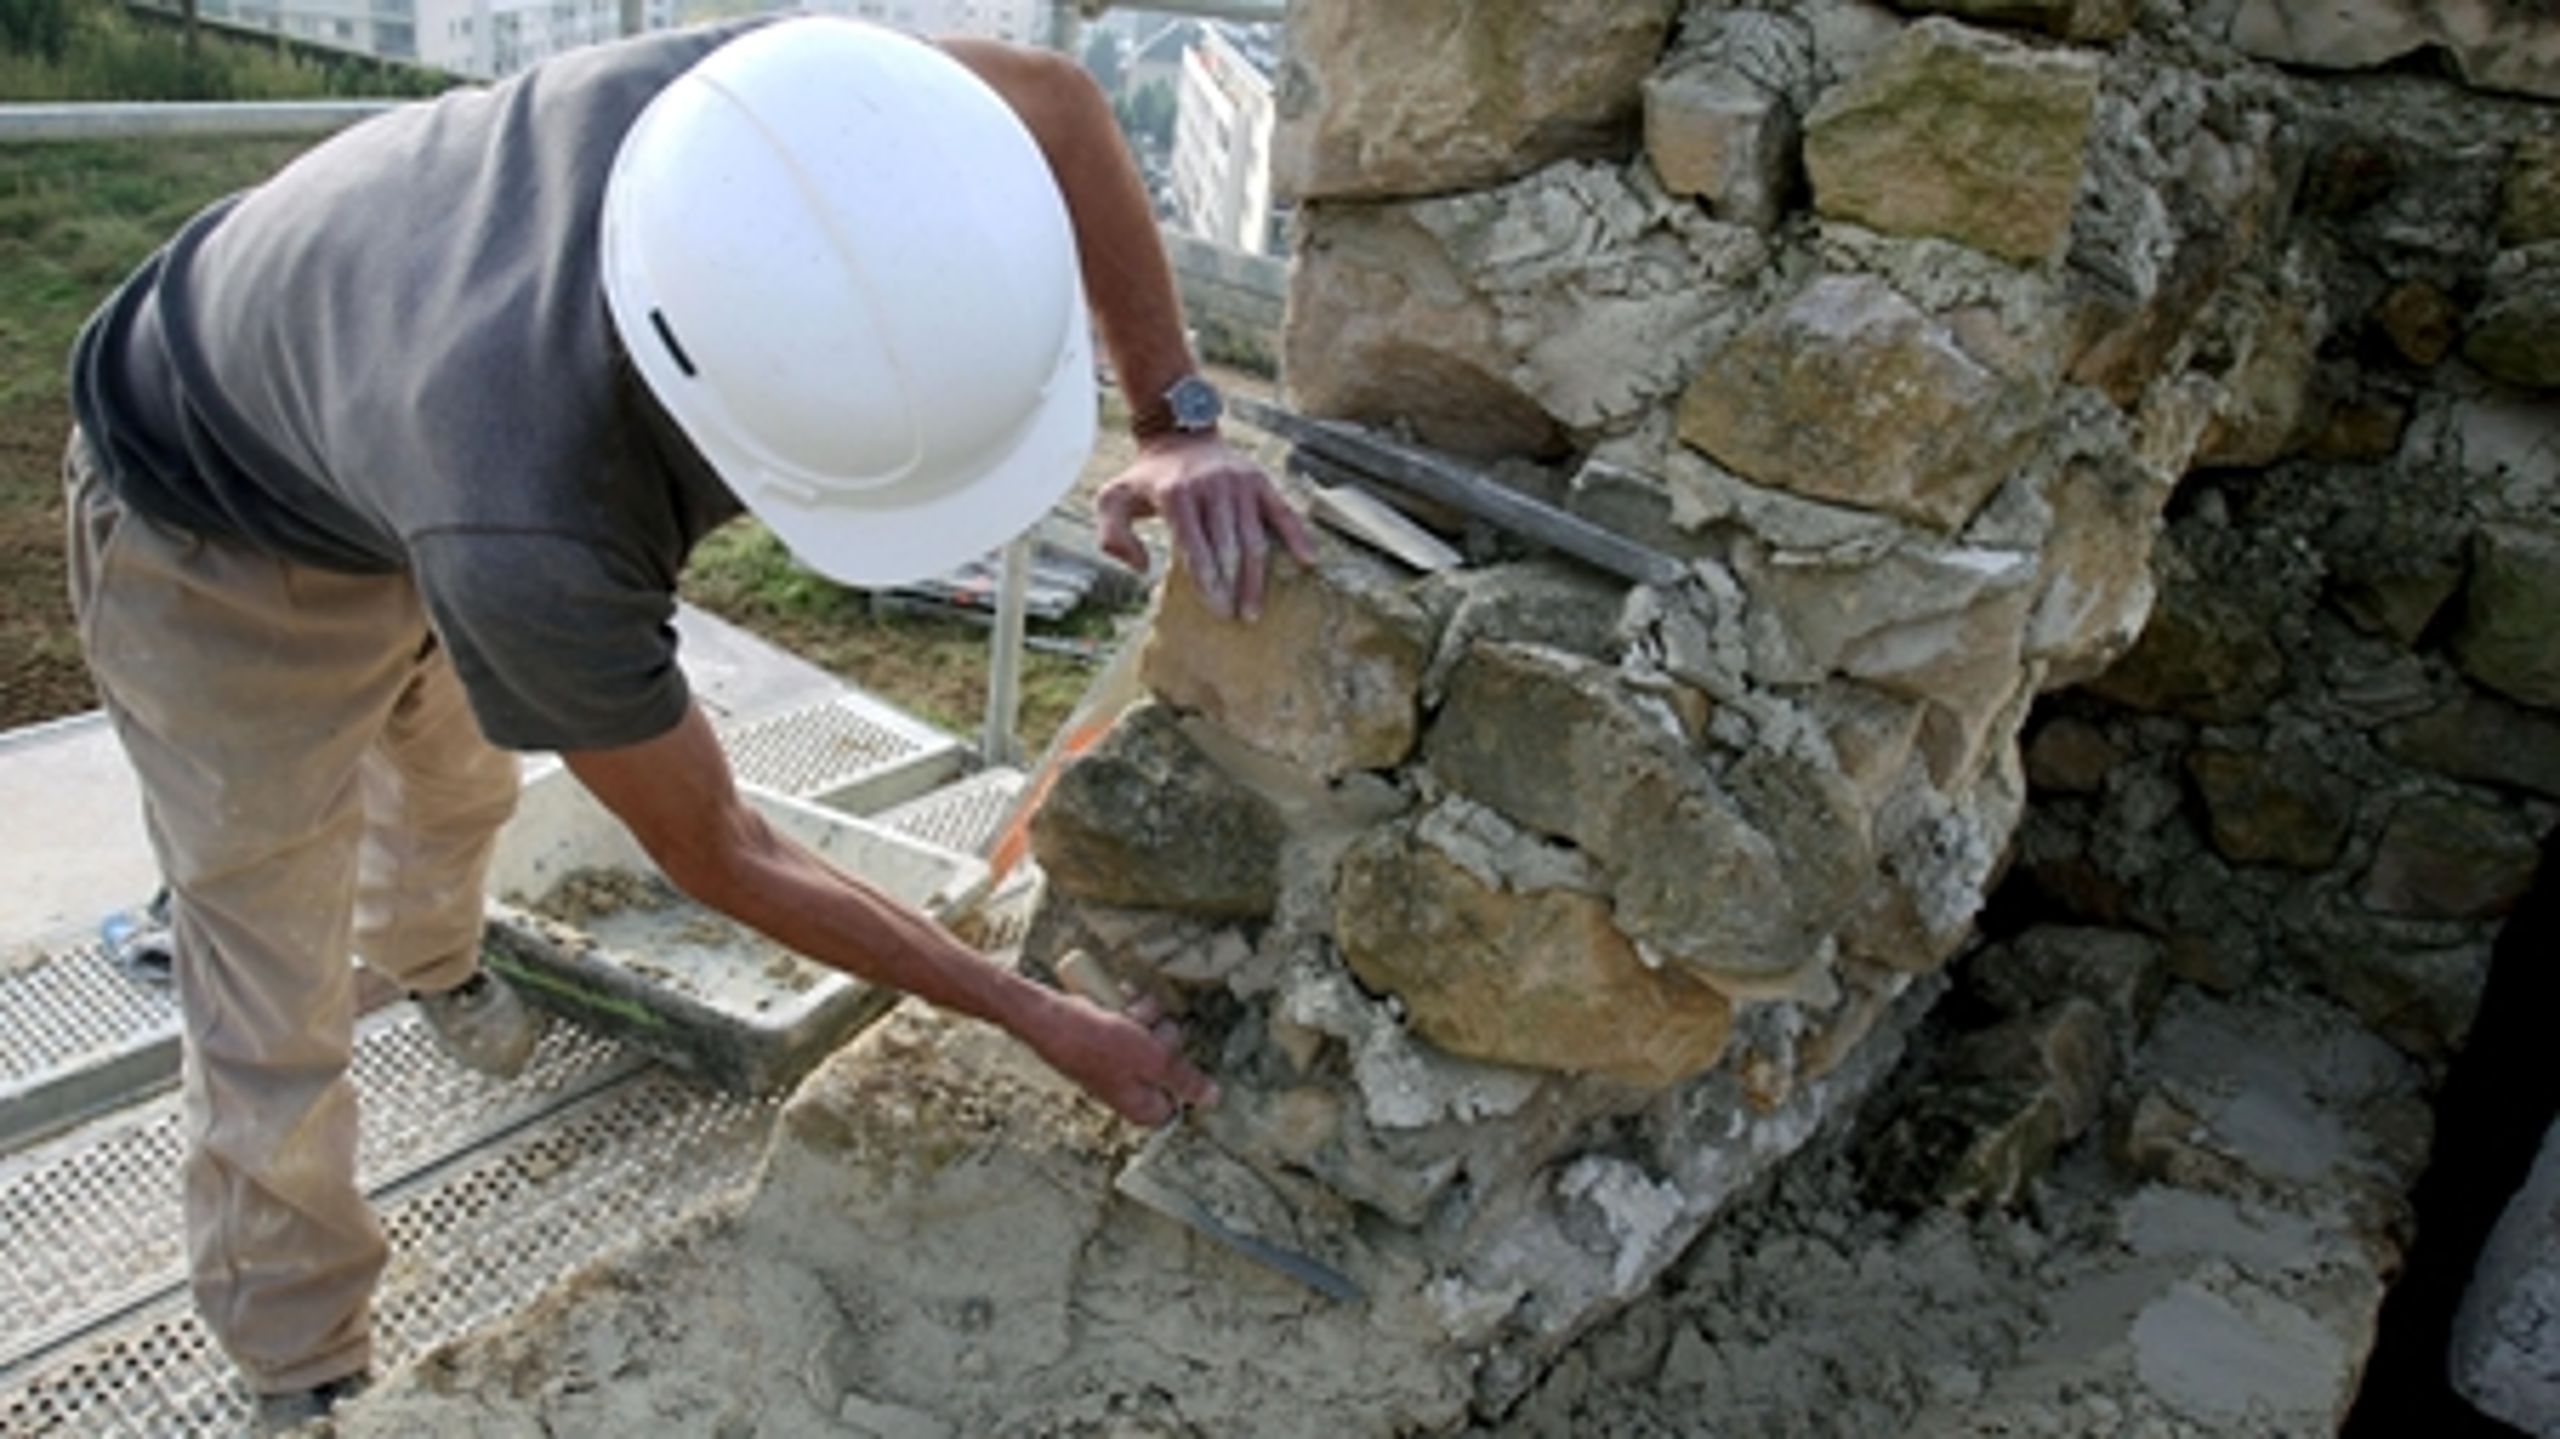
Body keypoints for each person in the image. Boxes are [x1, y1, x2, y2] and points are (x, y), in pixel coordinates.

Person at [63, 15, 1312, 1429]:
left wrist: (1177, 415)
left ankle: (434, 963)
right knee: (270, 968)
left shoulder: (792, 124)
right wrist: (1034, 1016)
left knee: (460, 788)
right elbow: (720, 850)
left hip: (381, 408)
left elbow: (1061, 100)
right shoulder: (529, 522)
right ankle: (301, 1361)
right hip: (205, 518)